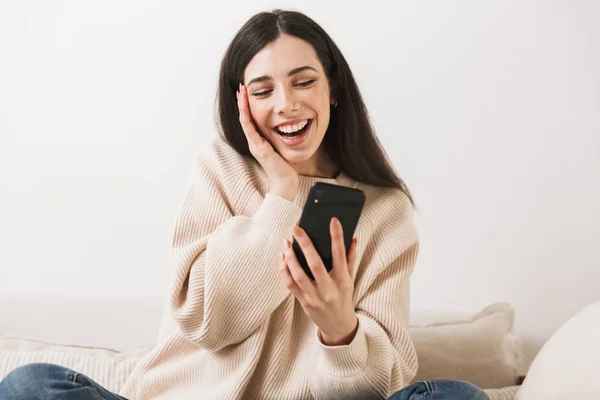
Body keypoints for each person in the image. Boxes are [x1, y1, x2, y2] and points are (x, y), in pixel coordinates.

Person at [0, 9, 490, 400]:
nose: (286, 104)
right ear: (243, 103)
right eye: (263, 90)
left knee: (459, 397)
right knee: (28, 386)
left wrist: (340, 332)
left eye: (303, 82)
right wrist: (281, 195)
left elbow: (377, 390)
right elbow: (208, 324)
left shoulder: (386, 211)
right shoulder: (220, 169)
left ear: (333, 88)